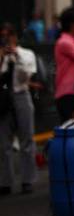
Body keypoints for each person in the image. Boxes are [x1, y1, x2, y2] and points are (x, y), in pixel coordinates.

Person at [0, 23, 40, 195]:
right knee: (3, 143)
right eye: (3, 36)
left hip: (21, 94)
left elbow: (27, 75)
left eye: (9, 35)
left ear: (15, 37)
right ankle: (5, 181)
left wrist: (16, 57)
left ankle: (27, 180)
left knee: (27, 139)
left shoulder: (26, 54)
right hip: (2, 98)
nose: (6, 39)